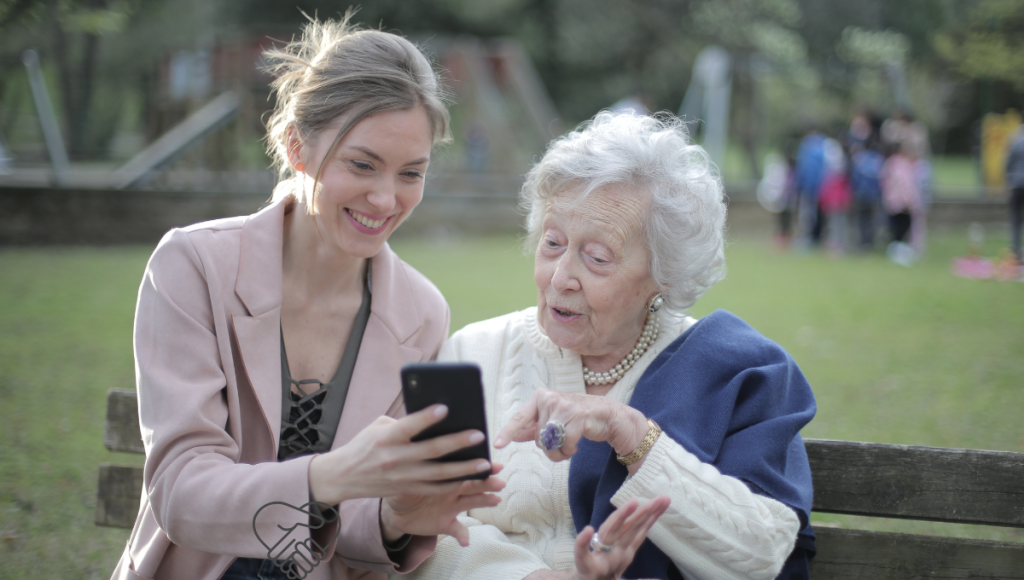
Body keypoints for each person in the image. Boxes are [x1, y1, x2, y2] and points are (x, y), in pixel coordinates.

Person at [112, 14, 505, 580]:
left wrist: (397, 516)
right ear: (298, 146)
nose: (385, 197)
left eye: (411, 173)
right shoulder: (194, 265)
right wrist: (329, 476)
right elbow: (181, 492)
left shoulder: (420, 313)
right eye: (362, 164)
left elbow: (356, 533)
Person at [402, 112, 817, 580]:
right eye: (552, 243)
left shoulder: (737, 370)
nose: (560, 278)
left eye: (597, 258)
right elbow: (421, 526)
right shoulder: (474, 354)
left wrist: (633, 435)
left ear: (666, 275)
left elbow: (763, 552)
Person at [1005, 126, 1024, 263]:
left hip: (1016, 185)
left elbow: (1008, 165)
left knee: (1016, 220)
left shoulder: (1015, 142)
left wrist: (1008, 182)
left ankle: (1016, 251)